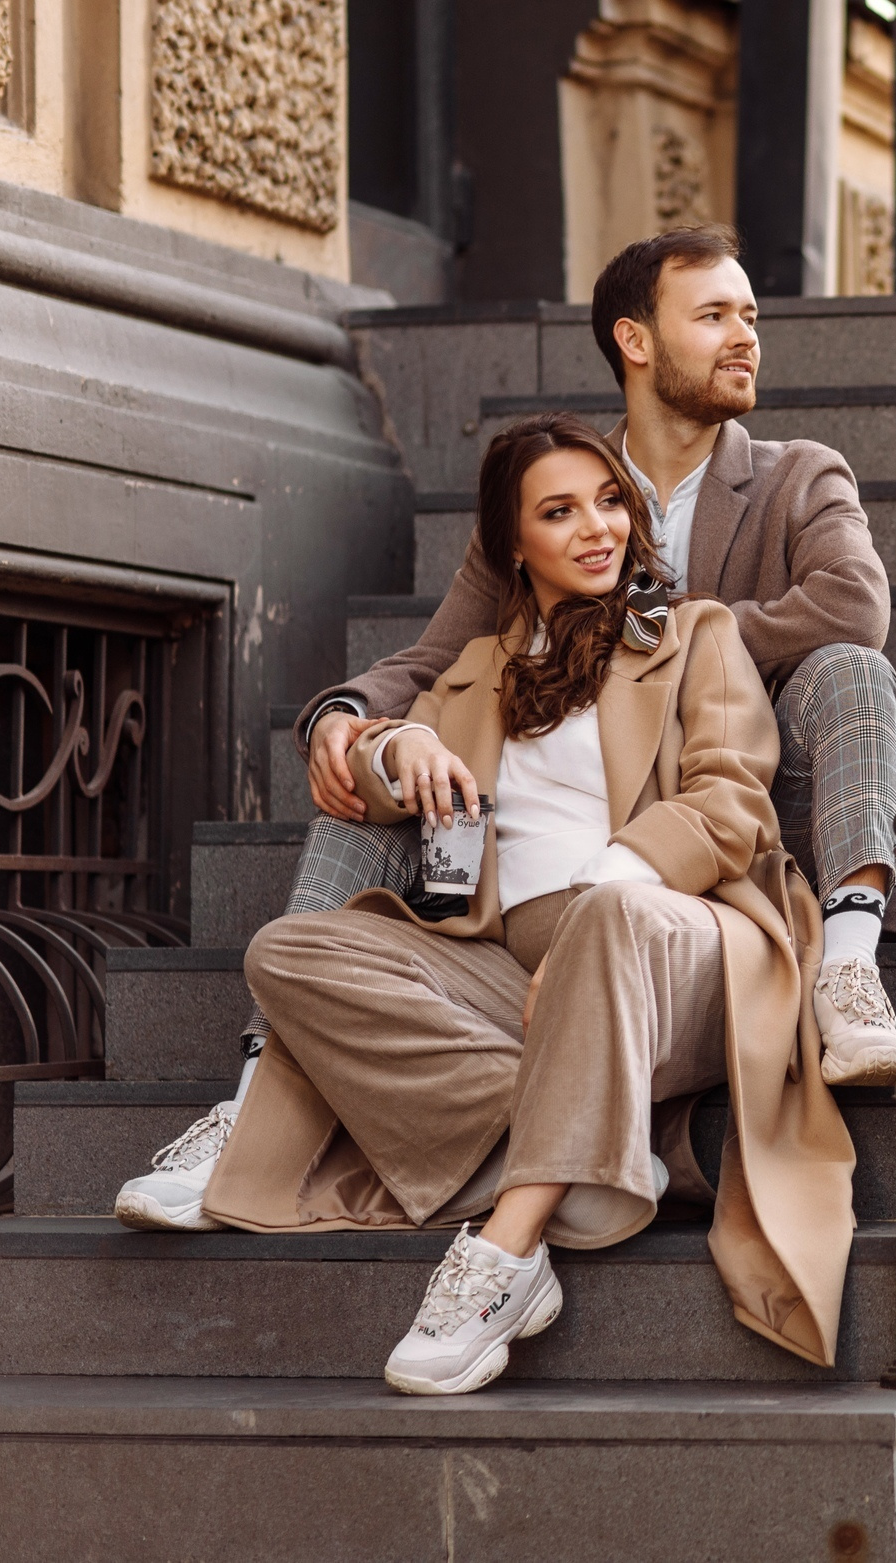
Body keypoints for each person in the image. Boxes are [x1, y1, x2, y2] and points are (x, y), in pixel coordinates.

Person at [118, 225, 896, 1232]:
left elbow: (851, 606)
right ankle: (263, 1096)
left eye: (750, 316)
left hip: (732, 821)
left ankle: (847, 965)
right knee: (385, 757)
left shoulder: (798, 475)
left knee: (852, 670)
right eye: (714, 316)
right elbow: (438, 661)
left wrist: (663, 637)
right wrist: (352, 722)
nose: (744, 337)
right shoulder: (557, 487)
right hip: (554, 851)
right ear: (636, 341)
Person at [167, 415, 853, 1394]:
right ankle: (586, 1137)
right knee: (290, 954)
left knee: (610, 919)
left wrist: (605, 895)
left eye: (611, 503)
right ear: (510, 544)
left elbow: (733, 806)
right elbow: (365, 788)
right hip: (511, 969)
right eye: (560, 512)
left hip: (683, 949)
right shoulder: (479, 672)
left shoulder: (691, 635)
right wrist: (394, 744)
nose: (598, 530)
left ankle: (506, 1254)